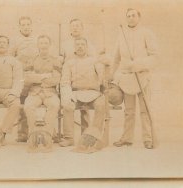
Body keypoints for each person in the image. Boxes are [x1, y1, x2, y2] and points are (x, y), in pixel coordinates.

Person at [110, 8, 158, 149]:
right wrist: (112, 76)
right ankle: (126, 138)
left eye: (133, 15)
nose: (131, 18)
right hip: (127, 78)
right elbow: (116, 58)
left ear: (139, 17)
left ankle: (148, 139)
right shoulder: (121, 34)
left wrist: (139, 64)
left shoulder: (146, 33)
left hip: (142, 76)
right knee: (129, 110)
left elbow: (155, 56)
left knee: (145, 110)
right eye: (128, 16)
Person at [59, 37, 106, 148]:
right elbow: (65, 82)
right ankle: (69, 138)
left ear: (86, 47)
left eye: (82, 44)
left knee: (101, 105)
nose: (80, 46)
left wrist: (104, 67)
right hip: (76, 94)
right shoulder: (69, 63)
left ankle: (94, 136)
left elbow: (102, 77)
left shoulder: (95, 61)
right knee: (67, 106)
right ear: (74, 47)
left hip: (93, 93)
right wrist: (68, 96)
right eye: (78, 45)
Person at [24, 35, 62, 152]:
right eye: (41, 43)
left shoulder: (55, 60)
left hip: (50, 92)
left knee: (54, 105)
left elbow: (56, 79)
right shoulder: (32, 60)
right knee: (28, 106)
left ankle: (47, 136)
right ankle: (33, 136)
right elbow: (27, 78)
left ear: (49, 45)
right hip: (34, 92)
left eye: (46, 43)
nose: (44, 46)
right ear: (38, 45)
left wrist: (37, 77)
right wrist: (45, 76)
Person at [11, 16, 39, 142]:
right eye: (23, 25)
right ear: (19, 27)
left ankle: (45, 132)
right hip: (21, 76)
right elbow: (11, 58)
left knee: (37, 102)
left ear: (32, 26)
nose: (26, 27)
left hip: (35, 75)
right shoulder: (15, 41)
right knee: (22, 103)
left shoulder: (37, 40)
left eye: (28, 24)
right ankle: (22, 133)